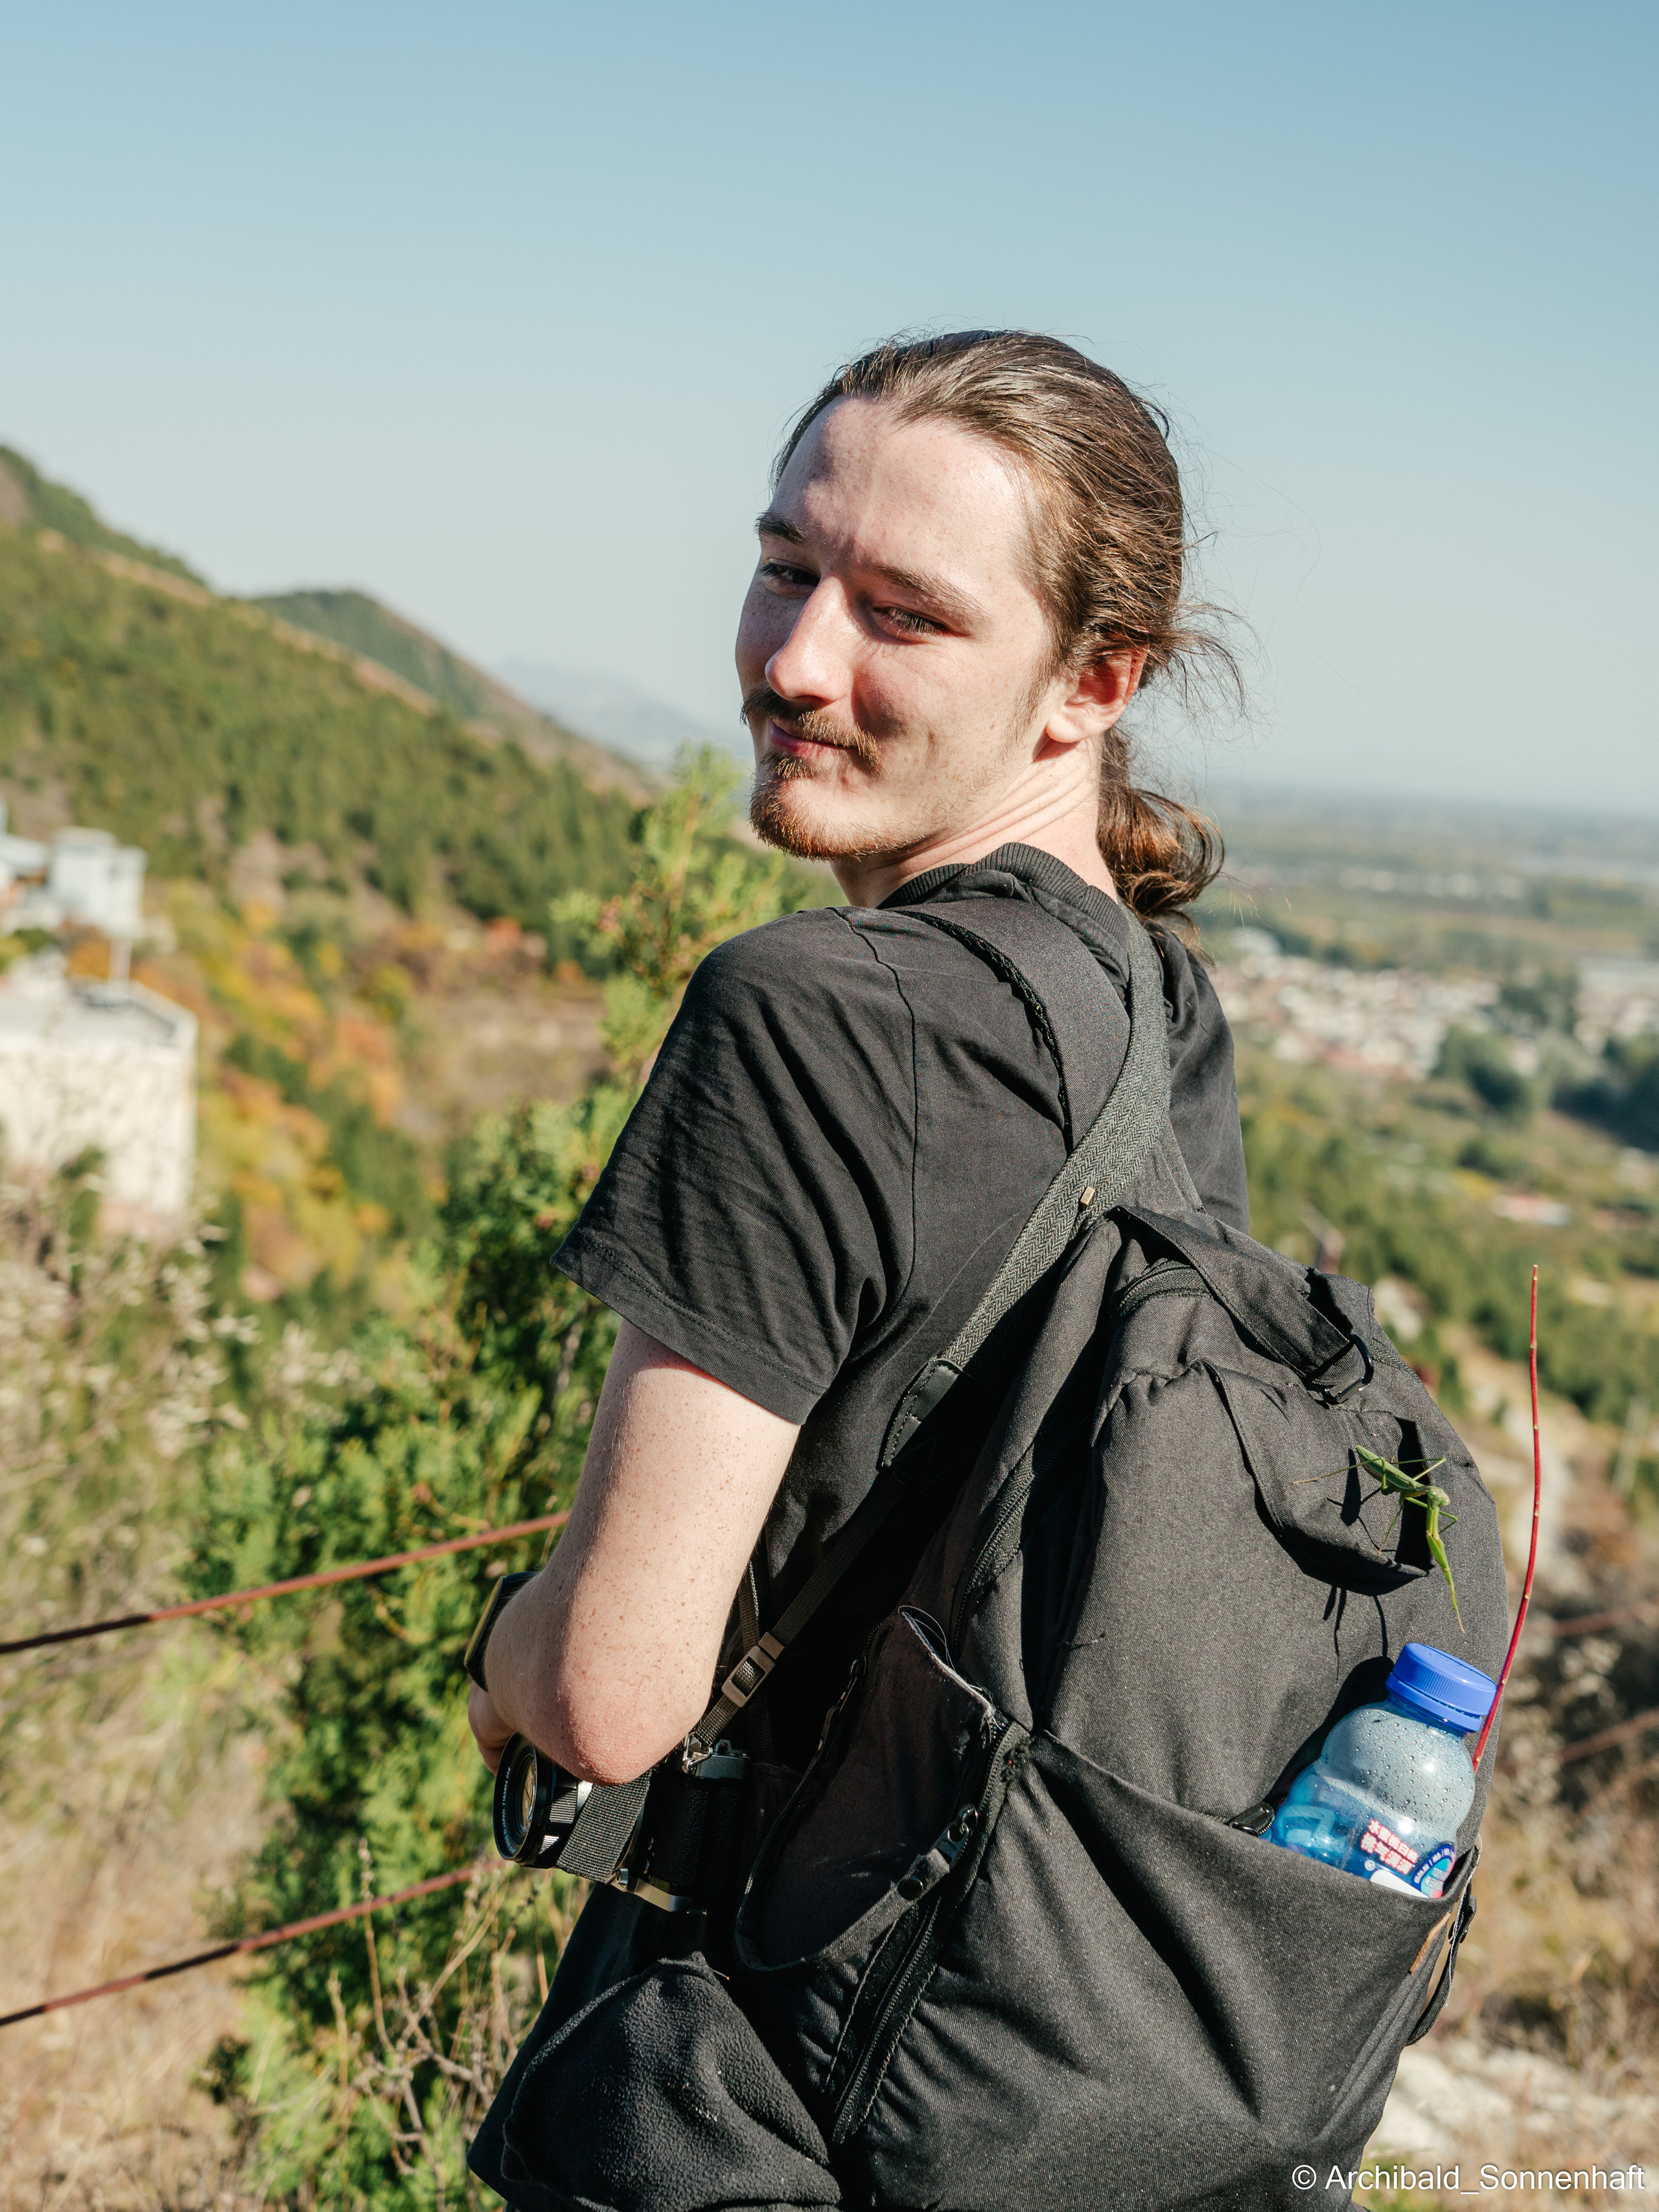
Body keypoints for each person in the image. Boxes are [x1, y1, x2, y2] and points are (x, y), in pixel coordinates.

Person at [466, 329, 1247, 2197]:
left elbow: (610, 1696)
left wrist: (504, 1654)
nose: (796, 662)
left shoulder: (803, 1014)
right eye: (786, 568)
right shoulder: (1160, 1011)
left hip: (753, 2077)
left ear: (1094, 681)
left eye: (905, 614)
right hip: (1023, 2074)